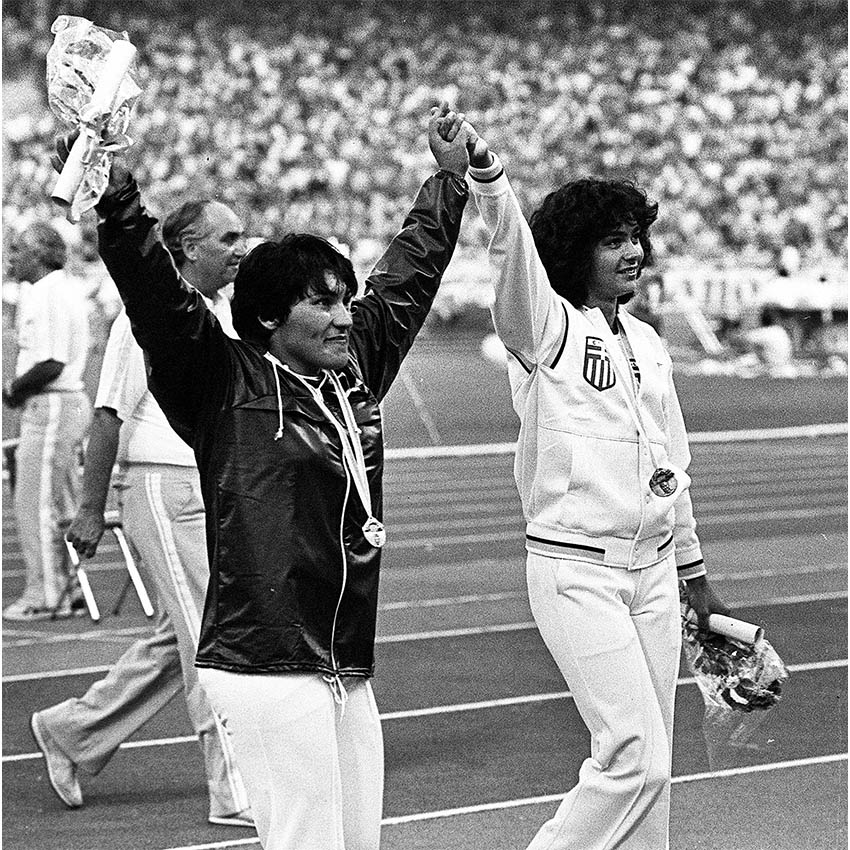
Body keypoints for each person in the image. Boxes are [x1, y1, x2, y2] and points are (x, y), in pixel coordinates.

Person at [52, 103, 472, 850]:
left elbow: (406, 279)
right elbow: (157, 298)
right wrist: (118, 204)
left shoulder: (354, 371)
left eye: (345, 300)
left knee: (355, 841)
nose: (345, 317)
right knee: (308, 840)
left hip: (344, 657)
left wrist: (447, 182)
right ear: (272, 317)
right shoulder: (222, 382)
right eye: (322, 302)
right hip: (266, 658)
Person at [449, 112, 729, 849]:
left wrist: (694, 575)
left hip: (655, 573)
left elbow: (672, 465)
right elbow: (514, 255)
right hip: (577, 569)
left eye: (635, 236)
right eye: (612, 240)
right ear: (576, 254)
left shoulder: (648, 342)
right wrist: (489, 179)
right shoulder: (546, 329)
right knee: (634, 758)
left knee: (655, 767)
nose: (632, 251)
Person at [29, 200, 254, 828]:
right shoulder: (146, 315)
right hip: (163, 486)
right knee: (213, 639)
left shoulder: (219, 312)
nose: (241, 248)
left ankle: (71, 732)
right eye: (228, 238)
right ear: (188, 248)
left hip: (207, 487)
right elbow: (108, 416)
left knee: (179, 636)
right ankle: (233, 788)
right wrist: (90, 511)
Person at [3, 222, 91, 621]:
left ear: (39, 254)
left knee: (35, 504)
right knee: (58, 502)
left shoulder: (47, 292)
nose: (11, 257)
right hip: (62, 404)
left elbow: (51, 362)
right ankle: (69, 587)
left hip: (53, 404)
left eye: (18, 249)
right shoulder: (56, 290)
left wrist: (14, 389)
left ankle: (46, 593)